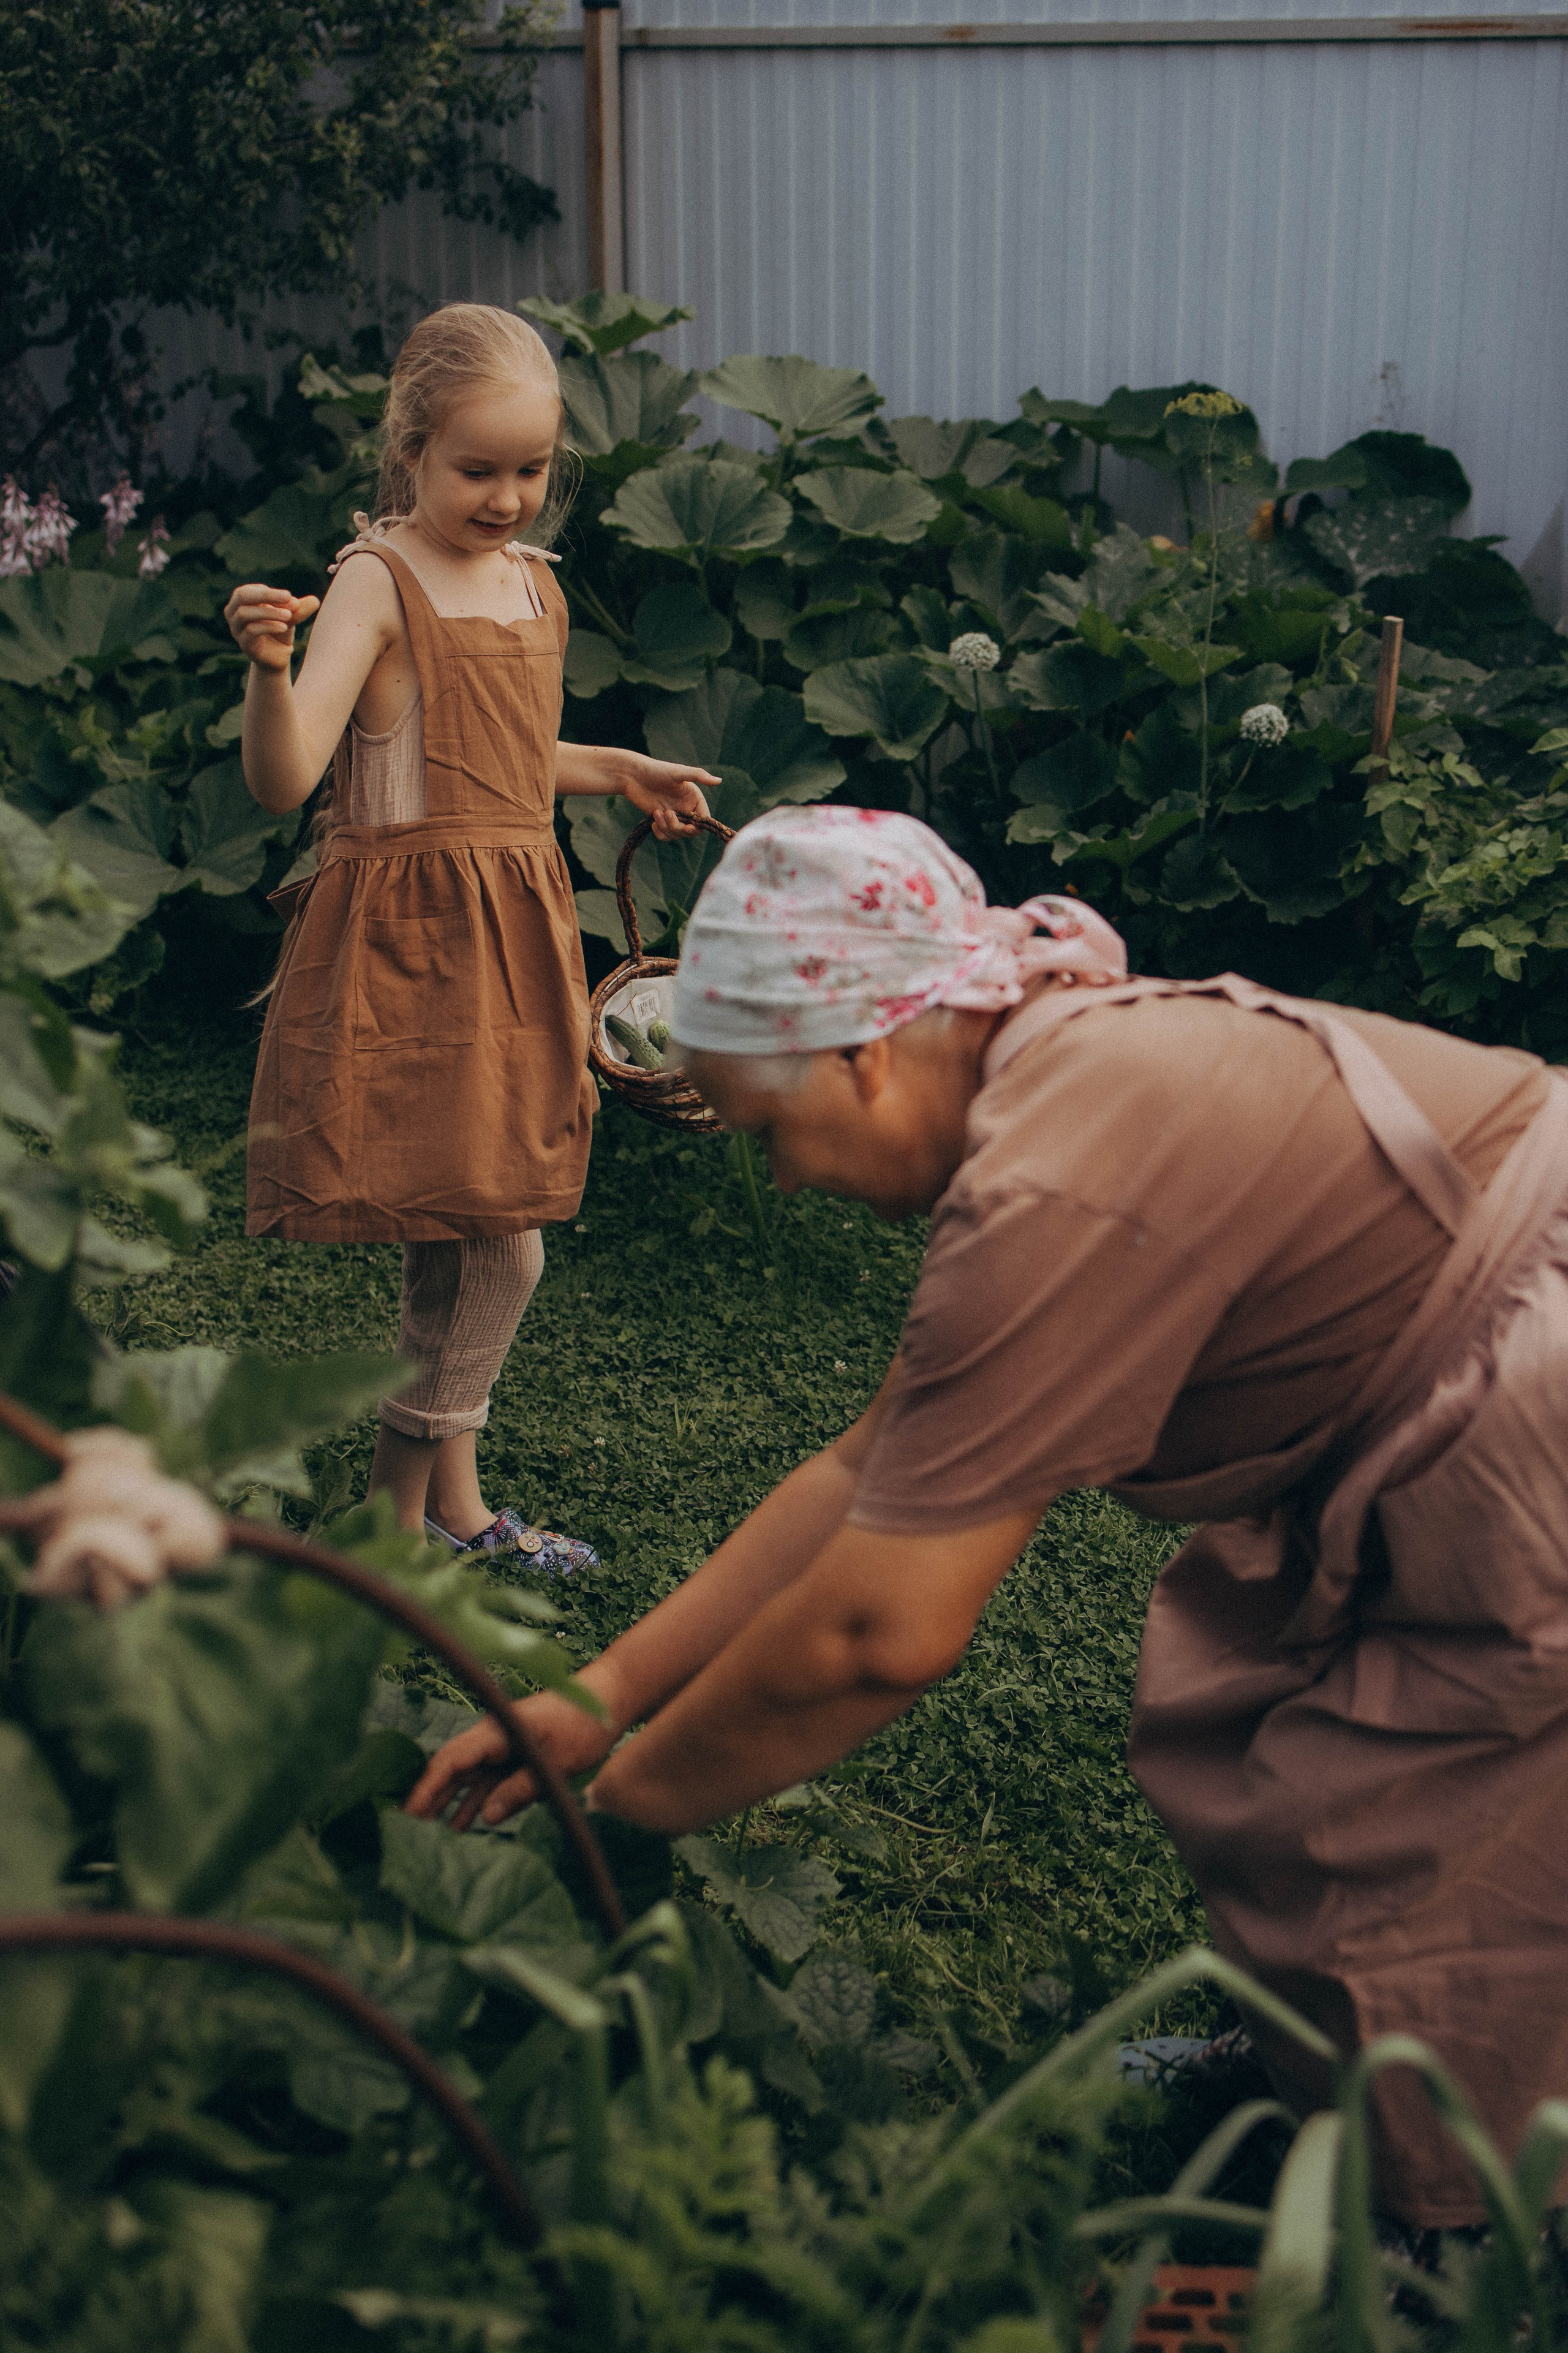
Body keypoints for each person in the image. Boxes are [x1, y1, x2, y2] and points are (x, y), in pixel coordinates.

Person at [409, 803, 1568, 2227]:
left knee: (1416, 1815)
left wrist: (614, 1823)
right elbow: (865, 1472)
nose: (779, 1178)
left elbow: (876, 1634)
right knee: (1274, 1743)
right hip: (1446, 1379)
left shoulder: (1050, 1174)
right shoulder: (1044, 1073)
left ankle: (1439, 2223)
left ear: (862, 1052)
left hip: (1529, 1403)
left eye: (772, 1129)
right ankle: (1315, 2063)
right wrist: (602, 1693)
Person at [225, 303, 716, 1568]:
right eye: (476, 470)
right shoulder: (375, 583)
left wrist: (619, 769)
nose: (507, 499)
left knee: (465, 1220)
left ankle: (455, 1508)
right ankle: (394, 1520)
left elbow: (498, 759)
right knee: (505, 1245)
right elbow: (289, 780)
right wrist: (270, 671)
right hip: (416, 949)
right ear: (412, 450)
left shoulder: (526, 585)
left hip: (514, 924)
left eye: (531, 471)